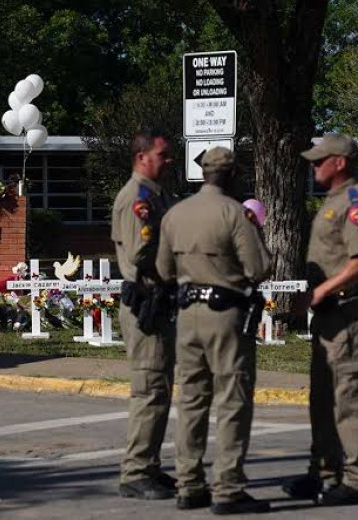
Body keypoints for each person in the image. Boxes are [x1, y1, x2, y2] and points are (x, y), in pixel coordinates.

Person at [157, 147, 272, 515]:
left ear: (203, 172)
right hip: (225, 314)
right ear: (234, 174)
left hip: (187, 313)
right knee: (232, 399)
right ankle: (228, 487)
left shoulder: (176, 214)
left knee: (190, 400)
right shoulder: (235, 213)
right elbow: (258, 268)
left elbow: (163, 270)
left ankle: (189, 484)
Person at [282, 134, 358, 506]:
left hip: (349, 315)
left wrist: (322, 291)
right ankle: (324, 473)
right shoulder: (333, 202)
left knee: (351, 399)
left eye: (319, 160)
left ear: (339, 162)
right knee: (323, 399)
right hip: (328, 318)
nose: (313, 166)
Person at [111, 128, 178, 500]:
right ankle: (135, 472)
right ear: (141, 157)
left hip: (160, 301)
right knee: (149, 390)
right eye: (163, 155)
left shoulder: (157, 194)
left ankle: (149, 465)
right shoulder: (138, 197)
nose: (169, 161)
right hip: (146, 300)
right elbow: (142, 254)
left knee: (160, 389)